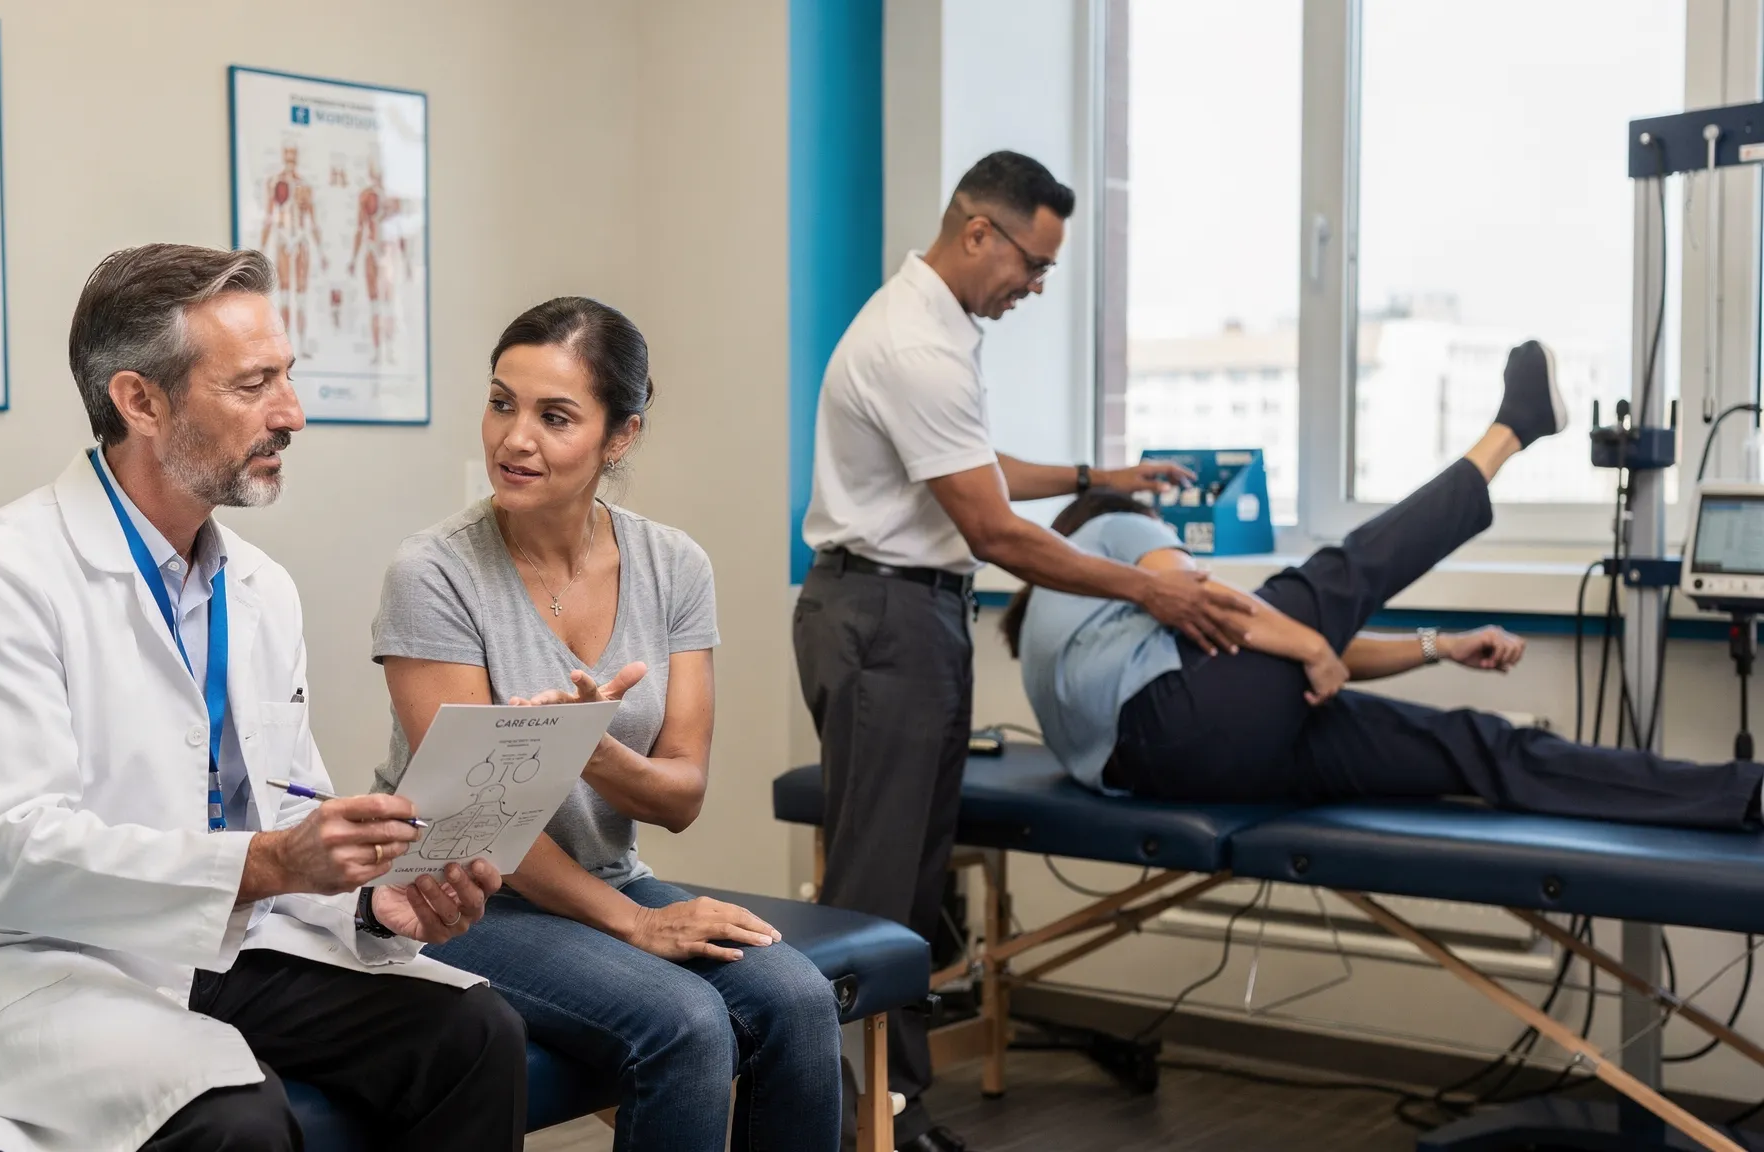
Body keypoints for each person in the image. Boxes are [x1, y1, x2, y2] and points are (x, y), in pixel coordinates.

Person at [0, 244, 526, 1152]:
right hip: (9, 956)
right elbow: (13, 852)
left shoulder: (258, 587)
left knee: (474, 1036)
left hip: (201, 940)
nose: (293, 413)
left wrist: (371, 901)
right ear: (141, 401)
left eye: (288, 376)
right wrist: (274, 865)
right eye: (253, 386)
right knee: (230, 1120)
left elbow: (281, 804)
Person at [793, 149, 1255, 1152]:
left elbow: (970, 464)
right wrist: (1152, 589)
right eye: (1032, 265)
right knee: (872, 890)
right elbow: (996, 531)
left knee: (914, 884)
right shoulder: (914, 342)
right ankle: (839, 1122)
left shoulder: (936, 331)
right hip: (882, 616)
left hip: (916, 613)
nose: (1035, 287)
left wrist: (1099, 472)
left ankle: (893, 1109)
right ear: (976, 233)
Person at [374, 297, 843, 1152]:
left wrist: (590, 751)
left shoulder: (673, 565)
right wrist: (632, 924)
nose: (515, 439)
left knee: (801, 1001)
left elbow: (682, 795)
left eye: (555, 417)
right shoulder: (433, 572)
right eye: (501, 402)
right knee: (689, 1026)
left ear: (619, 437)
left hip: (606, 877)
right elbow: (478, 822)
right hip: (463, 898)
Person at [1002, 340, 1764, 824]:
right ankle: (1511, 432)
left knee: (1477, 745)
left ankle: (1739, 794)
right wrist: (1310, 642)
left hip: (1181, 763)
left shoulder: (1064, 627)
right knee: (1333, 576)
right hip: (1181, 733)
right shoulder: (1110, 527)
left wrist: (1438, 645)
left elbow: (1283, 656)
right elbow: (1223, 612)